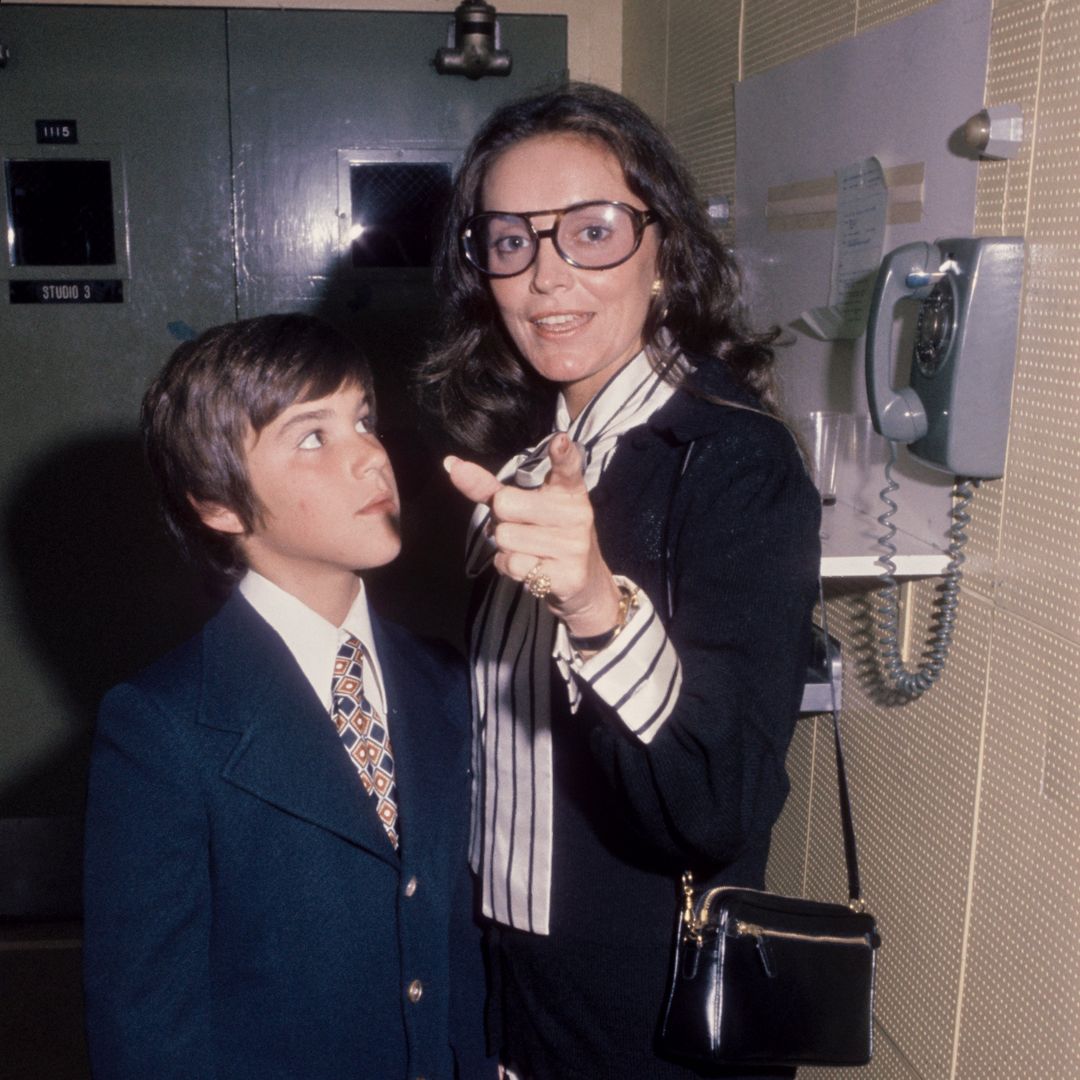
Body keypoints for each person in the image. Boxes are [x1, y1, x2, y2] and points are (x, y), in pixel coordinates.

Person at [421, 83, 822, 1079]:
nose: (546, 276)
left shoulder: (729, 461)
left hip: (644, 1011)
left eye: (592, 231)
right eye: (510, 240)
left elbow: (717, 806)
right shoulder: (534, 450)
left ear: (665, 251)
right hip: (512, 979)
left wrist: (597, 609)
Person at [82, 314, 493, 1080]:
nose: (370, 455)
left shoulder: (443, 677)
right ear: (219, 504)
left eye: (363, 420)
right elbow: (147, 1027)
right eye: (313, 437)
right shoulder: (162, 725)